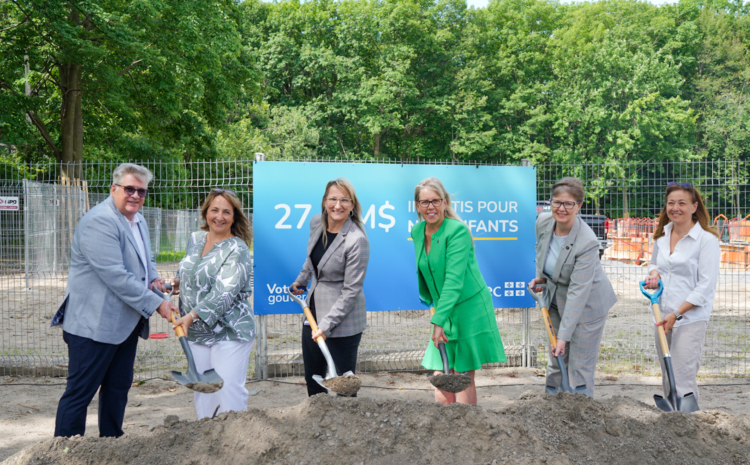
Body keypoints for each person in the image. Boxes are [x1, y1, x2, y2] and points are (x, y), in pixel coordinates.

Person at [52, 163, 176, 438]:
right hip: (93, 326)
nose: (135, 196)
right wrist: (157, 303)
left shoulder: (138, 220)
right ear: (113, 189)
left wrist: (155, 282)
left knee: (117, 389)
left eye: (141, 191)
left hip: (125, 324)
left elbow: (146, 261)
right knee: (80, 393)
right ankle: (64, 452)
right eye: (129, 189)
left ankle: (111, 446)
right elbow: (116, 276)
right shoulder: (100, 221)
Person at [412, 177, 506, 405]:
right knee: (440, 375)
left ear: (445, 203)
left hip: (468, 307)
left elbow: (454, 281)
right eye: (425, 202)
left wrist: (438, 320)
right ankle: (446, 425)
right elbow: (427, 269)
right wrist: (434, 306)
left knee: (462, 375)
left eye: (435, 201)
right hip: (443, 307)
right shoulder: (417, 231)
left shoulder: (457, 231)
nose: (430, 207)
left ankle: (467, 424)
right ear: (417, 206)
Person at [528, 177, 616, 397]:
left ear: (579, 206)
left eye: (568, 203)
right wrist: (541, 278)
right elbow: (542, 252)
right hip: (556, 298)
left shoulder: (587, 242)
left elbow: (578, 293)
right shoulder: (543, 222)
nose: (561, 208)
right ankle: (552, 403)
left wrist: (563, 338)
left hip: (587, 306)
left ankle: (580, 407)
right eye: (557, 202)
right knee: (556, 359)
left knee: (579, 365)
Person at [171, 188, 255, 419]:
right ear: (206, 212)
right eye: (214, 210)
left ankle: (235, 437)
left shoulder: (237, 248)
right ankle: (207, 437)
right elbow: (190, 268)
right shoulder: (196, 239)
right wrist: (178, 282)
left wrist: (190, 316)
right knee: (204, 392)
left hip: (229, 330)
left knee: (228, 389)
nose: (219, 216)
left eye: (226, 212)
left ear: (234, 217)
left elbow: (224, 293)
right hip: (198, 332)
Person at [290, 178, 370, 397]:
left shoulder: (356, 240)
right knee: (313, 379)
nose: (338, 205)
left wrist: (325, 326)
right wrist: (301, 280)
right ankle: (317, 417)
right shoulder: (317, 222)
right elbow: (312, 260)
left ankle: (346, 419)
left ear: (352, 205)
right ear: (325, 201)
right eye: (333, 199)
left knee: (344, 387)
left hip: (343, 320)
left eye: (345, 200)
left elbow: (351, 291)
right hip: (313, 312)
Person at [643, 182, 720, 406]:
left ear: (694, 207)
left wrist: (676, 314)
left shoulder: (706, 241)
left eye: (682, 203)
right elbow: (654, 264)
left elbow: (705, 286)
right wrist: (654, 274)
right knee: (668, 372)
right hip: (661, 314)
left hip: (689, 318)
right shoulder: (661, 236)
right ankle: (671, 420)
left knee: (682, 374)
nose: (675, 208)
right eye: (671, 203)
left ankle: (688, 421)